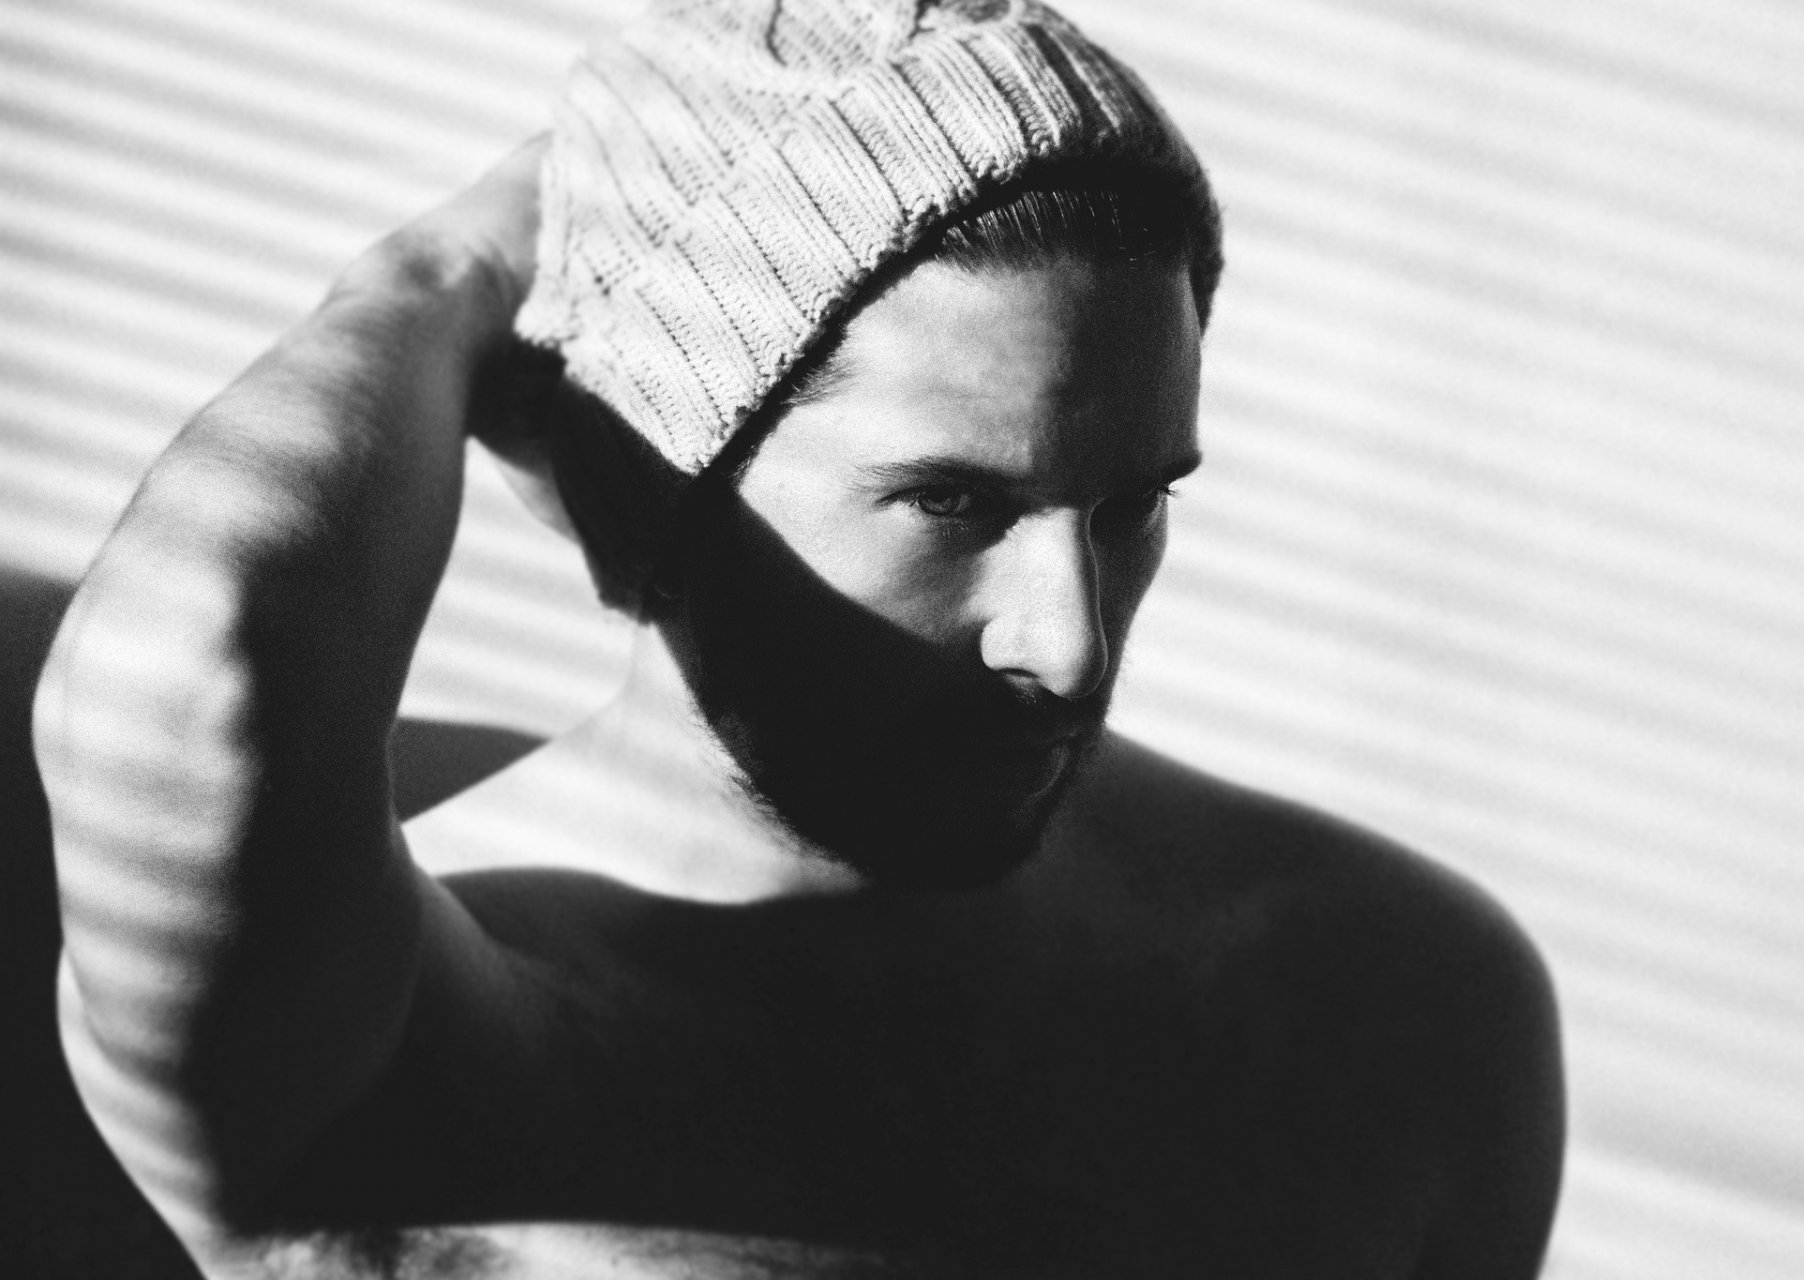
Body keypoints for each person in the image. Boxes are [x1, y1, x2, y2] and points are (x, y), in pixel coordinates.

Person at [33, 1, 1563, 1276]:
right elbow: (190, 678)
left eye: (1131, 504)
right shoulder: (404, 1040)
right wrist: (435, 280)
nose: (1070, 650)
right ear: (644, 483)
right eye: (952, 503)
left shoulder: (1390, 1007)